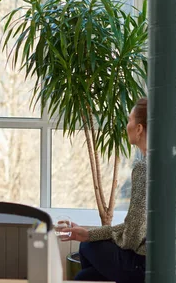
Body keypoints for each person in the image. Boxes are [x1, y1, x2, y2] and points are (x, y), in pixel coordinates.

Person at [60, 97, 148, 283]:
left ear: (139, 129)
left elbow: (132, 236)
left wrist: (99, 238)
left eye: (129, 120)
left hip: (143, 265)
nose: (126, 126)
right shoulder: (165, 165)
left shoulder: (144, 168)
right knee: (83, 278)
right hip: (154, 263)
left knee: (87, 247)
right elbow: (135, 228)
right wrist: (90, 233)